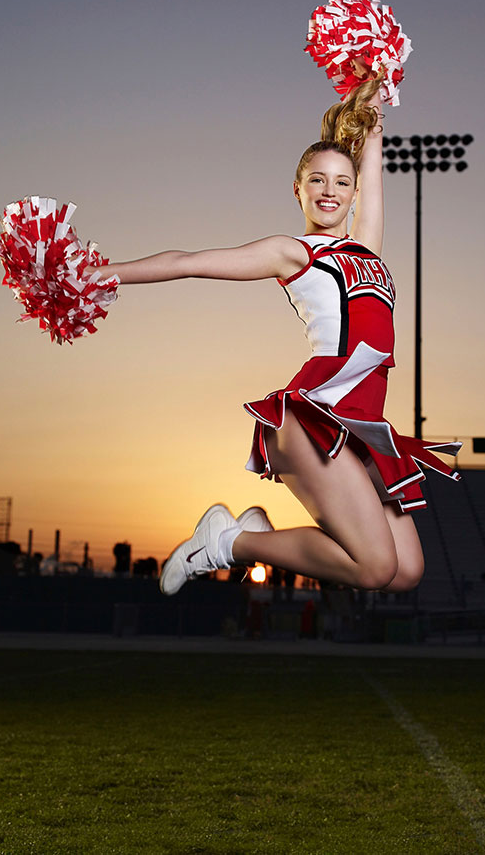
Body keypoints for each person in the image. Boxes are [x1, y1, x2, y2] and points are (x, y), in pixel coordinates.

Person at [86, 74, 461, 596]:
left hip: (364, 426)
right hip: (313, 417)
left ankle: (247, 536)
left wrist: (374, 77)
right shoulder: (296, 253)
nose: (330, 190)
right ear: (298, 188)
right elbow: (190, 262)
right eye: (317, 180)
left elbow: (373, 148)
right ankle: (229, 544)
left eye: (342, 182)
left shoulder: (368, 247)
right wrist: (104, 273)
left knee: (405, 572)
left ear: (353, 194)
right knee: (374, 568)